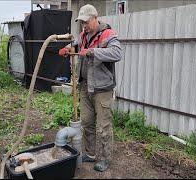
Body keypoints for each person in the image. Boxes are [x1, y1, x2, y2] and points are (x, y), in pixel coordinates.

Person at [58, 4, 122, 172]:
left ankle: (104, 158)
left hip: (103, 90)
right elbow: (76, 45)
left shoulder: (108, 34)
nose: (84, 25)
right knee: (87, 122)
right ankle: (92, 153)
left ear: (95, 18)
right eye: (82, 22)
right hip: (86, 87)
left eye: (86, 22)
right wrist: (67, 48)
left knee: (103, 126)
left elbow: (117, 53)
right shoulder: (83, 35)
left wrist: (93, 52)